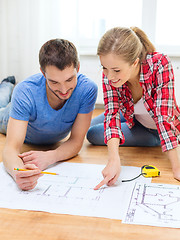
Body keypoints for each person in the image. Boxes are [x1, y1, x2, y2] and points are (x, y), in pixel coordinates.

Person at [86, 27, 180, 190]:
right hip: (131, 115)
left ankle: (154, 141)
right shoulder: (110, 74)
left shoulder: (160, 64)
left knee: (94, 134)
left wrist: (177, 168)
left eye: (116, 70)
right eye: (104, 68)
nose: (109, 76)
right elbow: (112, 113)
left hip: (154, 129)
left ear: (135, 62)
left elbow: (162, 118)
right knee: (90, 126)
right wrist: (114, 160)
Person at [1, 39, 97, 190]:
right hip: (7, 118)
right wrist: (18, 173)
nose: (64, 90)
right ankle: (6, 85)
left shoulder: (88, 90)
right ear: (43, 73)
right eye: (54, 82)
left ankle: (6, 86)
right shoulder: (25, 91)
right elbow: (11, 149)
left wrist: (51, 156)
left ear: (77, 68)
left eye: (69, 79)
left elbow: (77, 141)